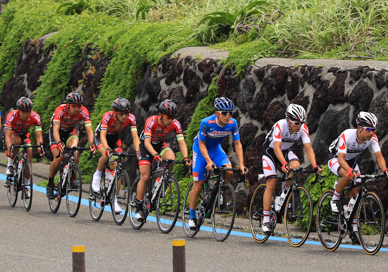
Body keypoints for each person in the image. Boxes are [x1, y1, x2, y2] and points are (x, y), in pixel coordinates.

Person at [327, 111, 388, 243]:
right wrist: (350, 171)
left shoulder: (372, 138)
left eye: (373, 129)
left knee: (356, 193)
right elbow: (341, 159)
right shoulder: (347, 135)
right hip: (336, 159)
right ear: (359, 128)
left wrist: (385, 169)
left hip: (351, 161)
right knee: (347, 175)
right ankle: (334, 199)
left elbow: (379, 156)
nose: (371, 132)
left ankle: (354, 230)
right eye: (369, 129)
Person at [256, 104, 322, 234]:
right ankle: (265, 219)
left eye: (301, 122)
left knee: (296, 168)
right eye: (296, 122)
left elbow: (308, 148)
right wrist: (284, 163)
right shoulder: (280, 125)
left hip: (285, 151)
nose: (299, 125)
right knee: (272, 182)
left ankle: (282, 196)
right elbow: (276, 148)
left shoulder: (303, 128)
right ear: (288, 120)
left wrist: (314, 165)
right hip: (270, 152)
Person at [187, 97, 247, 230]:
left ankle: (220, 190)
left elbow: (237, 144)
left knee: (229, 171)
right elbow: (201, 144)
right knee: (198, 184)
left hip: (216, 150)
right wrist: (209, 161)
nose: (228, 116)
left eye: (230, 113)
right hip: (200, 150)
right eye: (224, 113)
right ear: (217, 113)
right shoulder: (206, 123)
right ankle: (192, 216)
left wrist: (242, 164)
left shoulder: (232, 123)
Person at [135, 99, 189, 222]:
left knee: (171, 159)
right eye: (168, 117)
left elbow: (181, 142)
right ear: (160, 115)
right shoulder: (151, 121)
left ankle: (160, 182)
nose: (171, 120)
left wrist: (186, 157)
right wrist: (154, 154)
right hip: (146, 146)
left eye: (173, 117)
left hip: (160, 144)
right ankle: (139, 206)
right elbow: (147, 143)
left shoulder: (175, 123)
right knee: (145, 176)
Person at [90, 98, 140, 213]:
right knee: (106, 155)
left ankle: (114, 199)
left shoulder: (131, 119)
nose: (124, 116)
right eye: (121, 114)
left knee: (117, 168)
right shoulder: (107, 116)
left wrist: (138, 152)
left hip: (115, 139)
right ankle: (97, 175)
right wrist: (107, 149)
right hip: (101, 137)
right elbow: (102, 136)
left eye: (126, 113)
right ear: (115, 113)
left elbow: (135, 137)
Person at [46, 92, 95, 199]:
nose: (77, 109)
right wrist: (58, 142)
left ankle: (73, 176)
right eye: (74, 106)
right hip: (57, 133)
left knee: (75, 149)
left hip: (69, 132)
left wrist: (91, 143)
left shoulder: (83, 111)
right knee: (58, 157)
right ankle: (50, 183)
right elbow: (55, 130)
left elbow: (90, 130)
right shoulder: (60, 110)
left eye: (79, 106)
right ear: (68, 105)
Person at [4, 96, 43, 190]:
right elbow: (8, 136)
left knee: (29, 155)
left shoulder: (35, 117)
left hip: (25, 135)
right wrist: (10, 150)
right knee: (16, 141)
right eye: (24, 112)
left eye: (28, 112)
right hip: (13, 133)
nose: (26, 115)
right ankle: (10, 165)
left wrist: (40, 147)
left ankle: (26, 183)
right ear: (18, 110)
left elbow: (38, 135)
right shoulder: (11, 116)